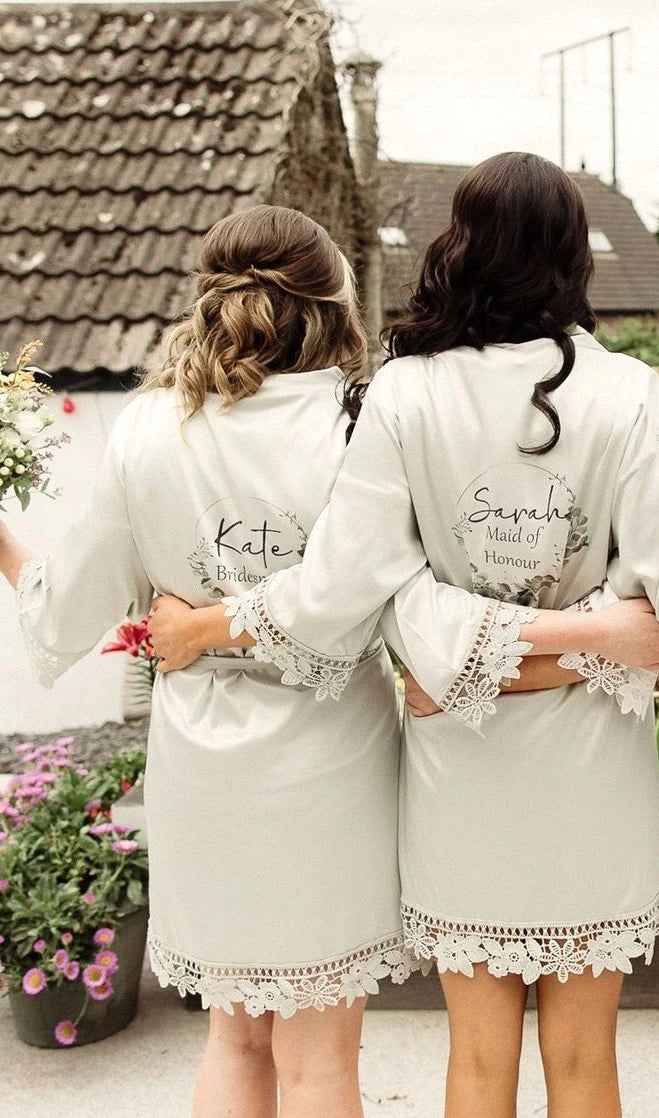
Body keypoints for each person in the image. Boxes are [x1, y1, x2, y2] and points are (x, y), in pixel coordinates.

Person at [148, 151, 659, 1118]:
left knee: (475, 1060)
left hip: (460, 769)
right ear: (570, 259)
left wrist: (458, 656)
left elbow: (368, 594)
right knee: (586, 1061)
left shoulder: (404, 394)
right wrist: (611, 633)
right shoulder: (629, 393)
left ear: (459, 245)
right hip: (596, 772)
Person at [0, 206, 408, 1118]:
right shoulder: (358, 425)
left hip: (203, 766)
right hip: (330, 761)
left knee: (234, 1039)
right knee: (320, 1058)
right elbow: (357, 597)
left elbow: (70, 602)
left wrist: (4, 541)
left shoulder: (148, 429)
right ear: (332, 302)